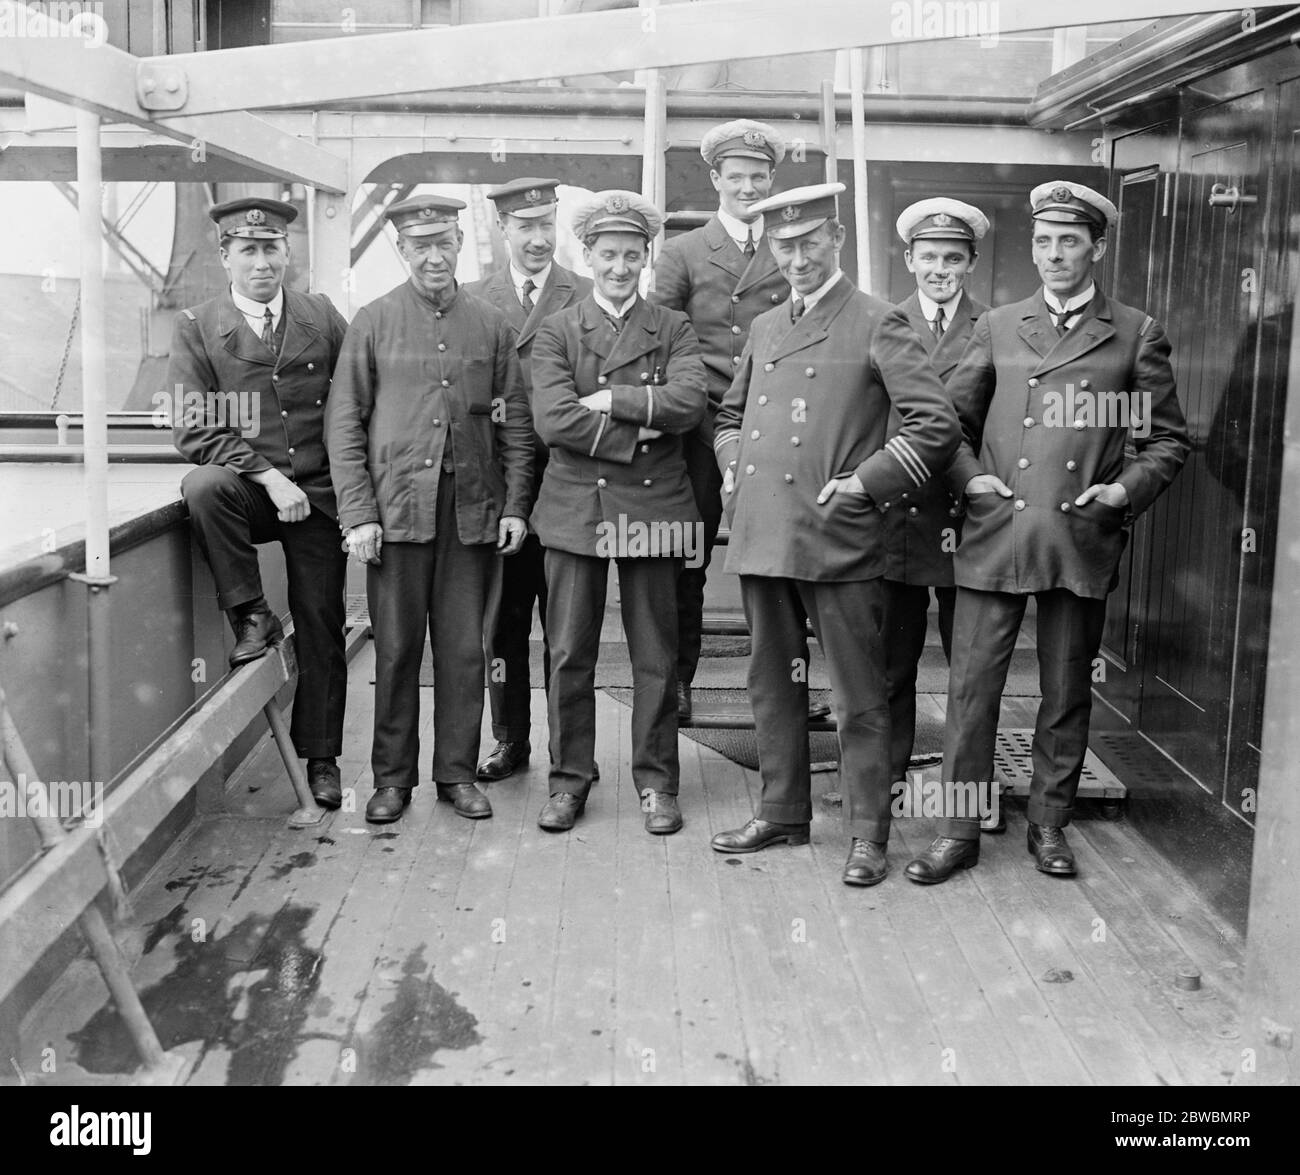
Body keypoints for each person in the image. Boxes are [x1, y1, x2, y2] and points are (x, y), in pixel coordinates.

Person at [905, 180, 1190, 884]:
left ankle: (1049, 824)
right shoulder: (998, 327)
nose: (1054, 253)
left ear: (1096, 246)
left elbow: (1165, 442)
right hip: (997, 533)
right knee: (972, 691)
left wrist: (1121, 489)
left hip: (1078, 535)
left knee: (1065, 690)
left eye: (1069, 240)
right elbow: (954, 429)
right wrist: (971, 479)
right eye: (1043, 240)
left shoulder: (1133, 332)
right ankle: (957, 831)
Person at [710, 183, 960, 886]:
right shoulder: (764, 328)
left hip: (840, 538)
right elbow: (727, 419)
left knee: (858, 696)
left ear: (837, 240)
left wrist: (865, 483)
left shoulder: (877, 321)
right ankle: (783, 811)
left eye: (809, 241)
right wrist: (734, 471)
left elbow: (934, 425)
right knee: (770, 683)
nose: (797, 257)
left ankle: (866, 833)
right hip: (764, 533)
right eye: (784, 246)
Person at [325, 194, 534, 825]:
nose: (436, 256)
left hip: (472, 510)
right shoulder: (374, 320)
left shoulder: (491, 324)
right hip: (396, 512)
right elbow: (344, 424)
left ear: (460, 244)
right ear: (402, 249)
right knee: (394, 649)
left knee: (465, 651)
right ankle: (392, 779)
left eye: (446, 243)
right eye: (422, 246)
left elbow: (516, 425)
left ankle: (456, 773)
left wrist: (515, 505)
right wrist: (358, 514)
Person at [530, 190, 707, 835]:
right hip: (577, 508)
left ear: (647, 257)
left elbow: (690, 403)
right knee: (569, 652)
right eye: (608, 254)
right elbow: (552, 418)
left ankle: (658, 785)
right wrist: (637, 428)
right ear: (589, 255)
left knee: (655, 656)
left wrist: (608, 397)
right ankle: (569, 780)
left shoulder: (673, 327)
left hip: (655, 509)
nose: (619, 267)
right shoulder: (557, 328)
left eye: (632, 255)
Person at [170, 197, 349, 810]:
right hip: (255, 491)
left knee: (324, 621)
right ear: (226, 256)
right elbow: (193, 430)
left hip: (321, 496)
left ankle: (321, 758)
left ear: (286, 253)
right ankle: (251, 613)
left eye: (271, 248)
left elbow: (356, 399)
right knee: (203, 485)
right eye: (247, 250)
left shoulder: (321, 316)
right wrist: (270, 477)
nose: (261, 261)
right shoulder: (198, 324)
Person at [651, 119, 796, 723]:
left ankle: (790, 689)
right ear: (716, 179)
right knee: (688, 558)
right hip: (702, 427)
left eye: (758, 177)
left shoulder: (794, 242)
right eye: (736, 177)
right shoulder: (683, 252)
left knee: (788, 558)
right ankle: (680, 681)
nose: (747, 187)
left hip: (777, 424)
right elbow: (655, 336)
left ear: (771, 180)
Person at [465, 178, 593, 784]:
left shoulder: (588, 294)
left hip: (568, 485)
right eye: (525, 227)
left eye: (547, 225)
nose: (538, 239)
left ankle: (571, 756)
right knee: (503, 625)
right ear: (503, 231)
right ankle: (510, 739)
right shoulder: (472, 299)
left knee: (566, 634)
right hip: (499, 490)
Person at [886, 198, 992, 809]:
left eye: (953, 257)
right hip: (895, 518)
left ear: (971, 262)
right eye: (929, 257)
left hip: (963, 518)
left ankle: (966, 797)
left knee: (971, 674)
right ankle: (884, 784)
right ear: (909, 259)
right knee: (890, 669)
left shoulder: (995, 327)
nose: (940, 269)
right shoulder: (882, 322)